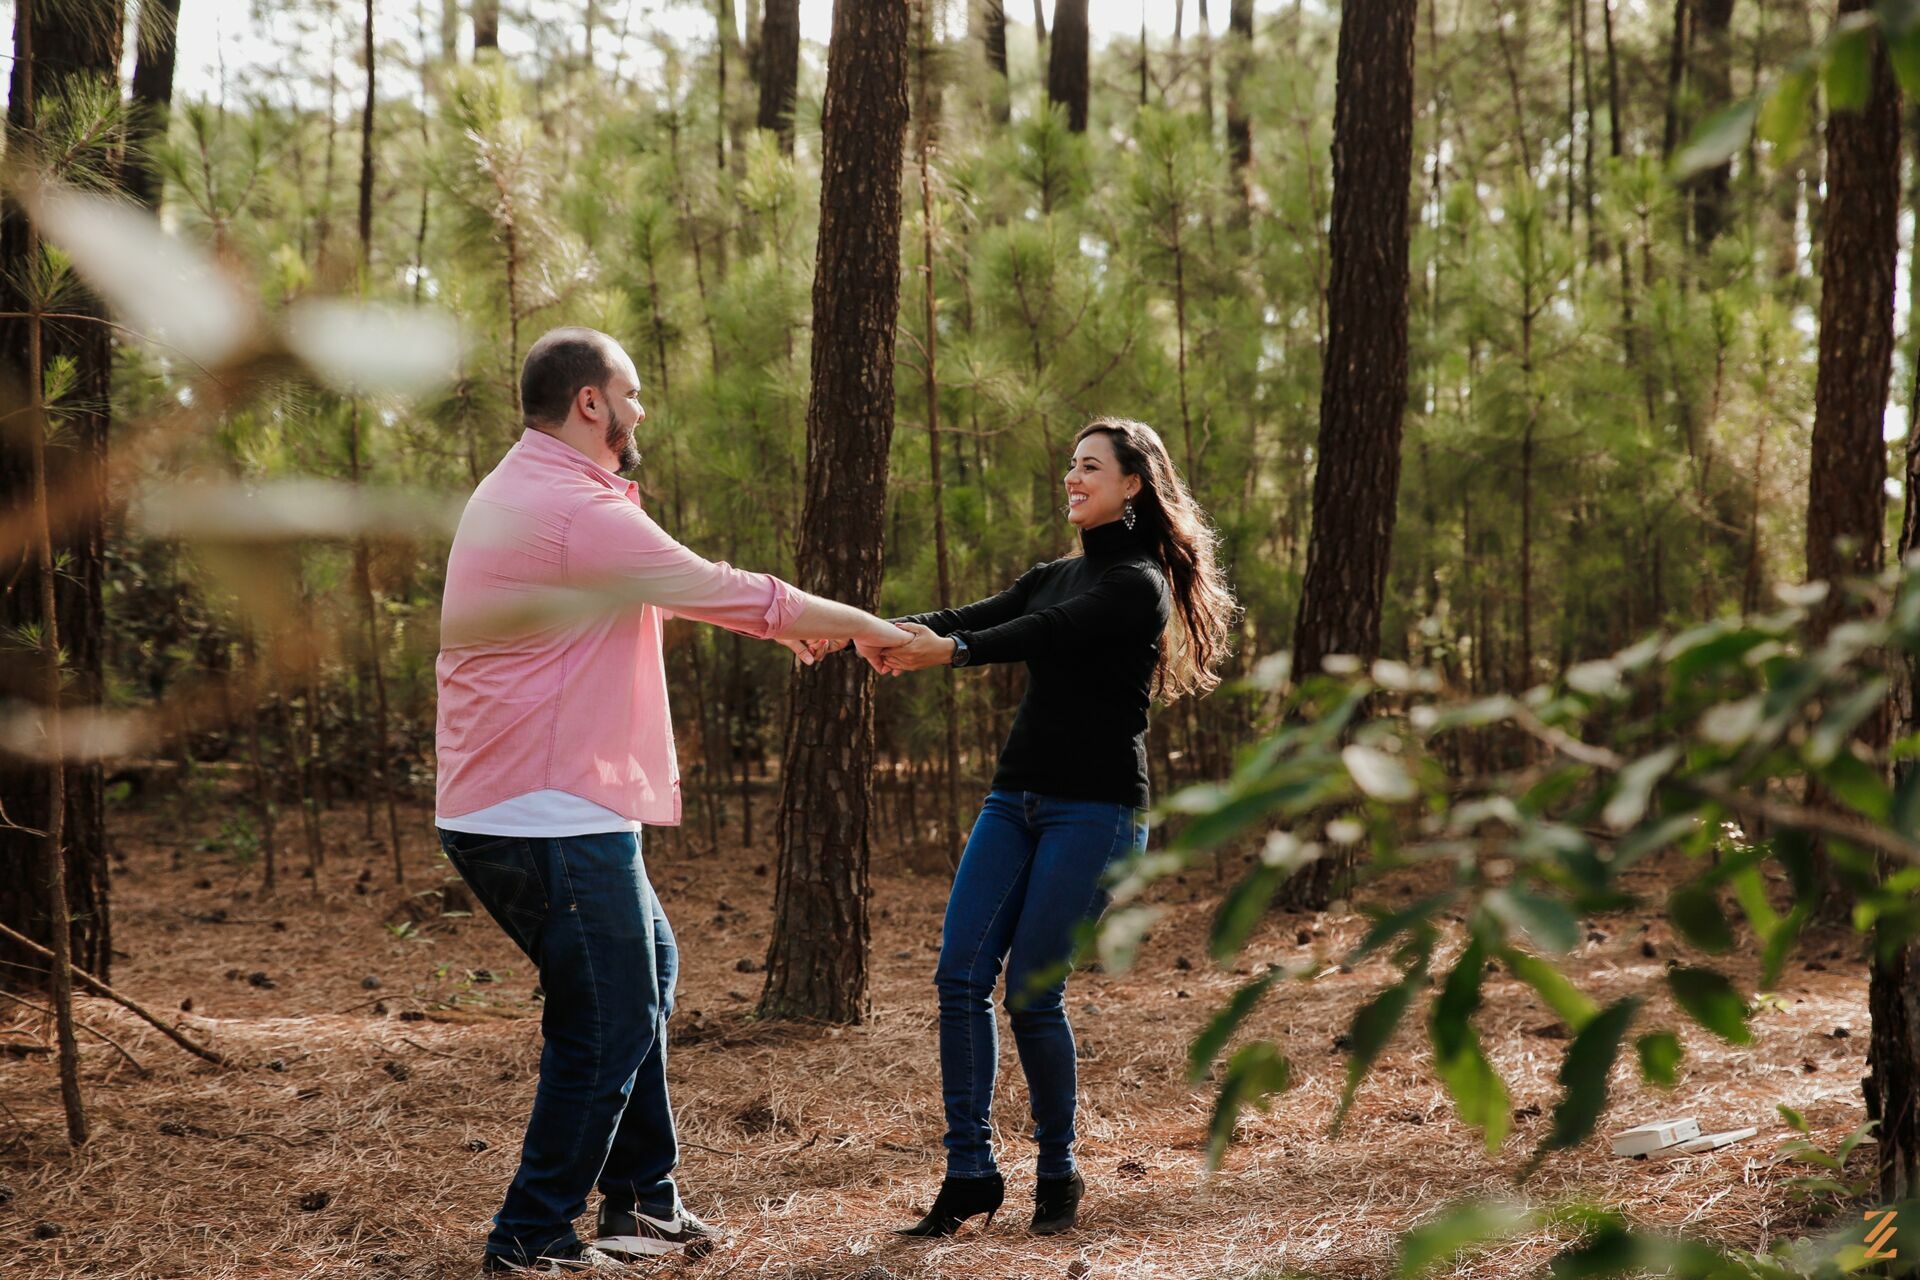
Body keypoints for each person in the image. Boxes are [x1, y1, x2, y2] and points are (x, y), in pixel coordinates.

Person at [434, 327, 909, 1275]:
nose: (641, 411)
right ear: (590, 404)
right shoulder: (574, 508)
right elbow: (721, 589)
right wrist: (864, 629)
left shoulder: (534, 493)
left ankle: (642, 1204)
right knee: (607, 1016)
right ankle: (530, 1234)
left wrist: (775, 630)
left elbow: (679, 597)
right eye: (632, 393)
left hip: (540, 805)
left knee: (645, 968)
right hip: (545, 811)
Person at [854, 418, 1234, 1238]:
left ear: (1133, 484)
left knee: (1031, 995)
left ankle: (1057, 1169)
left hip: (1094, 810)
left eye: (1089, 466)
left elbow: (1038, 635)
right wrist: (860, 631)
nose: (1072, 476)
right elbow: (965, 612)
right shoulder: (1052, 573)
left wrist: (948, 655)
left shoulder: (1137, 584)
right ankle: (969, 1172)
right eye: (1070, 464)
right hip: (1014, 799)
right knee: (959, 977)